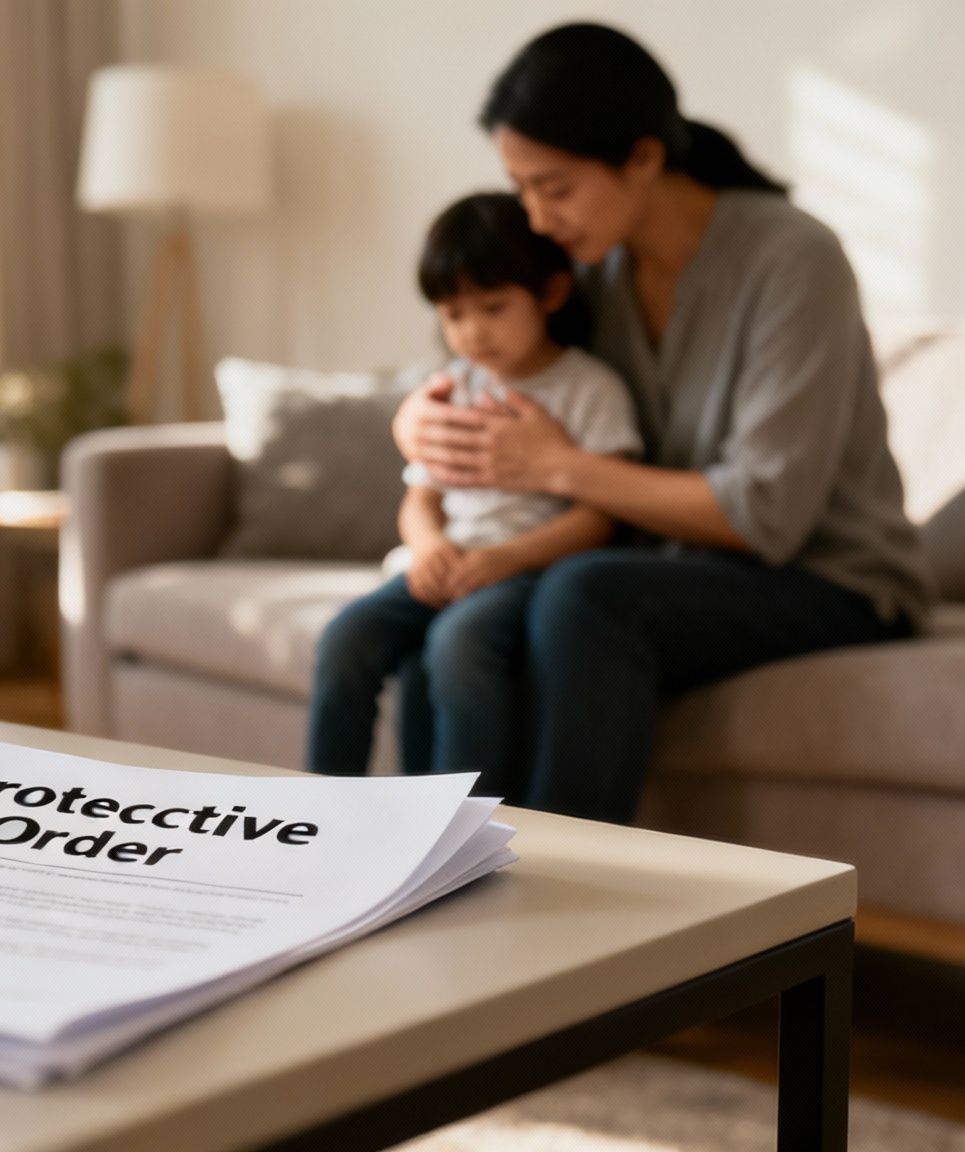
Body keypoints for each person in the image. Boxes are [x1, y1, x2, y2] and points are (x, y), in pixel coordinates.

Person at [387, 23, 936, 823]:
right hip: (671, 566)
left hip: (832, 578)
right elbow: (481, 355)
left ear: (643, 158)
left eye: (556, 187)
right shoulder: (583, 269)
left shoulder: (793, 260)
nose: (536, 219)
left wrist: (558, 469)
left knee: (584, 596)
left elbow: (765, 515)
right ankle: (424, 872)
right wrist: (414, 421)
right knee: (451, 617)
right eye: (523, 188)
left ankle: (562, 891)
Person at [306, 192, 640, 795]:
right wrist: (430, 546)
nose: (473, 331)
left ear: (552, 294)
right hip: (448, 561)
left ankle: (459, 833)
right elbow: (422, 497)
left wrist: (505, 559)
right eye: (454, 314)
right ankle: (326, 813)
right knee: (345, 639)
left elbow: (601, 515)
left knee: (459, 646)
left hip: (526, 571)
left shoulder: (590, 389)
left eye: (493, 307)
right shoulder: (451, 389)